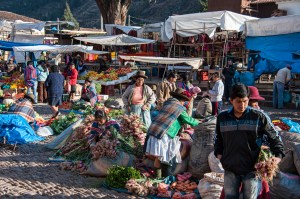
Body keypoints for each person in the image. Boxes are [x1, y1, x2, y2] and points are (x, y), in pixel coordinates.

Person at [214, 83, 284, 199]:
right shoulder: (222, 117)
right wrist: (220, 155)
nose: (242, 105)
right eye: (238, 101)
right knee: (230, 196)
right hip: (230, 168)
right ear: (231, 100)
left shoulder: (259, 116)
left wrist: (278, 156)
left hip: (252, 169)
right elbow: (217, 138)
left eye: (245, 101)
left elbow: (274, 137)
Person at [145, 88, 199, 178]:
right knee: (164, 158)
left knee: (159, 157)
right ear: (181, 99)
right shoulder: (178, 107)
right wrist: (200, 122)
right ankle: (162, 178)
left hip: (155, 132)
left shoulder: (168, 104)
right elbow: (189, 120)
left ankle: (158, 177)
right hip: (164, 134)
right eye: (184, 101)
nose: (184, 103)